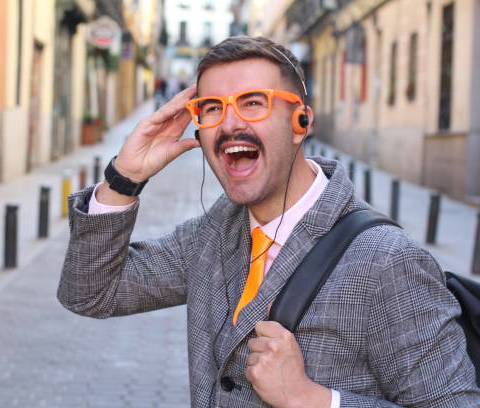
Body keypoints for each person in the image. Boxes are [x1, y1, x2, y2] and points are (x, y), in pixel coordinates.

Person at [58, 36, 479, 407]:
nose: (230, 123)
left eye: (253, 103)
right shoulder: (214, 233)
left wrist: (314, 401)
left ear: (301, 123)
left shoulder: (387, 262)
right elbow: (90, 293)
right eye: (212, 108)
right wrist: (124, 177)